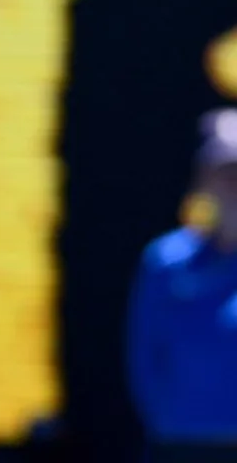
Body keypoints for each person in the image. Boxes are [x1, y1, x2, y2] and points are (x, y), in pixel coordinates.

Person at [126, 108, 237, 463]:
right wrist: (170, 422)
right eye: (225, 173)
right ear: (203, 180)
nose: (234, 186)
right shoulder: (165, 260)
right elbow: (143, 359)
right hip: (180, 444)